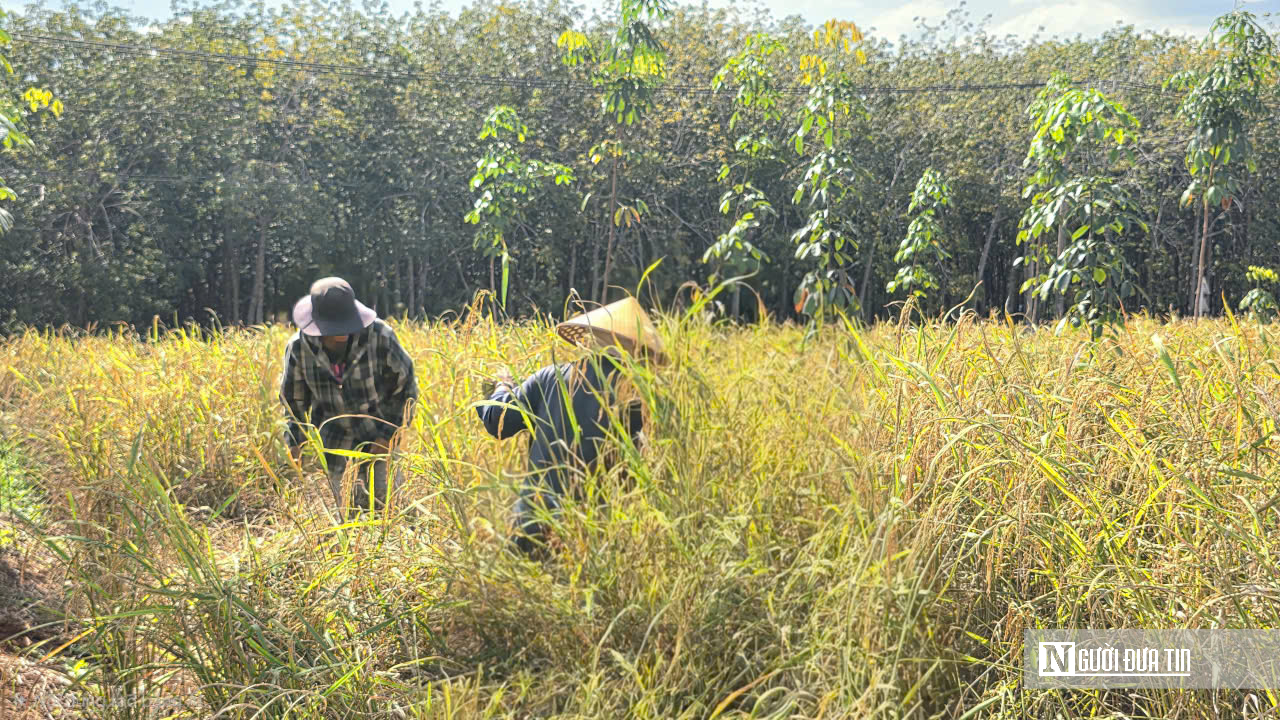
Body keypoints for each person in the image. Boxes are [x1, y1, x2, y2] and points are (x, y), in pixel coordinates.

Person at [476, 297, 667, 557]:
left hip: (533, 526)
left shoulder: (550, 377)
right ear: (637, 349)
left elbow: (496, 421)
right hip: (600, 542)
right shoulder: (646, 396)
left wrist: (502, 387)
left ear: (593, 338)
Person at [279, 276, 418, 518]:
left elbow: (406, 388)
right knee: (346, 518)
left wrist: (389, 435)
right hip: (335, 442)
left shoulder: (380, 336)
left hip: (378, 433)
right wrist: (295, 443)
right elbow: (294, 401)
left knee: (392, 513)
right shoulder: (300, 348)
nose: (342, 332)